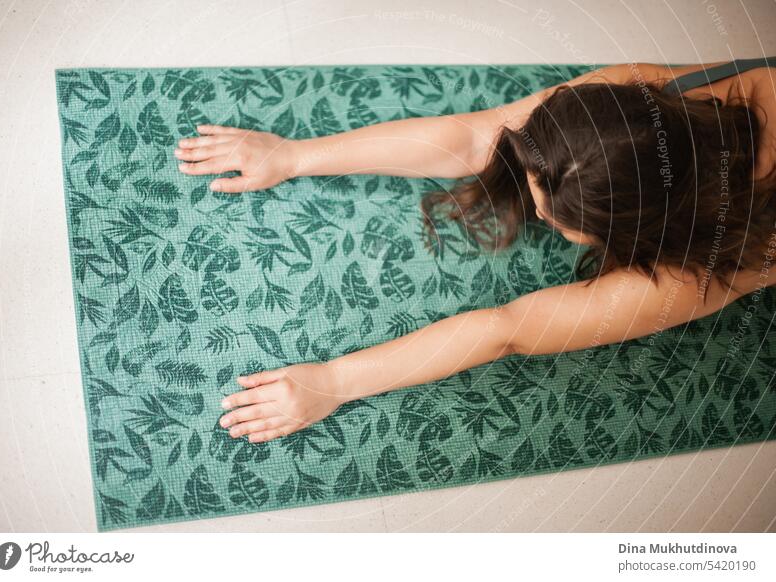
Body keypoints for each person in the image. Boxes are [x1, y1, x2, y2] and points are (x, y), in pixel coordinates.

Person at [172, 59, 776, 443]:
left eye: (559, 217)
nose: (538, 214)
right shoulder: (629, 95)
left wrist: (331, 381)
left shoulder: (694, 273)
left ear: (644, 228)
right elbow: (473, 136)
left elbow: (505, 328)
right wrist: (294, 156)